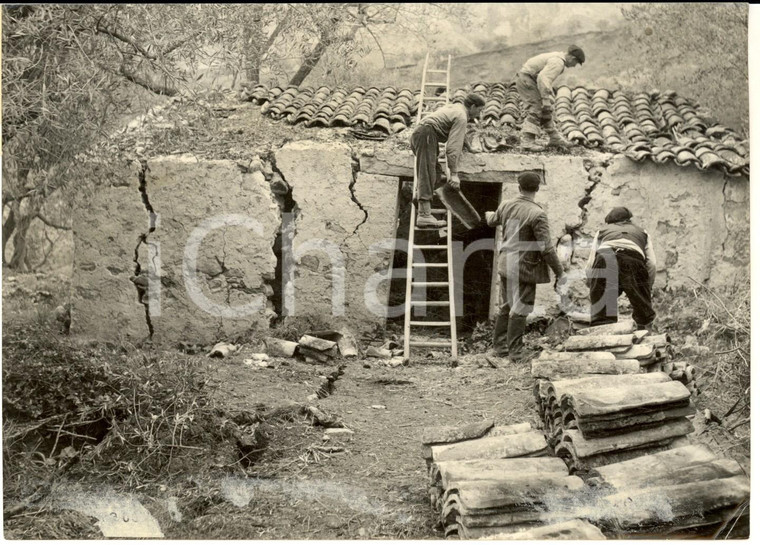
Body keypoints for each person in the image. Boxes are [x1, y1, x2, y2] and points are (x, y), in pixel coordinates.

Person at [485, 171, 567, 361]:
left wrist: (489, 213)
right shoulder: (537, 214)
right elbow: (546, 249)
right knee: (520, 308)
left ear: (518, 187)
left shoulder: (506, 205)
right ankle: (516, 352)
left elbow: (491, 220)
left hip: (506, 263)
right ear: (537, 189)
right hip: (524, 267)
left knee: (506, 306)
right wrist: (560, 272)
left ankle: (499, 348)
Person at [410, 93, 485, 228]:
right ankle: (424, 215)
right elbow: (452, 148)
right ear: (473, 106)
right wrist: (454, 174)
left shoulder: (457, 108)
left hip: (422, 134)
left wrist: (469, 147)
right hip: (426, 135)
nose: (479, 114)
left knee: (437, 175)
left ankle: (420, 195)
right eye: (479, 110)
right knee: (427, 173)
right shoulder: (462, 116)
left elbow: (459, 134)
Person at [585, 206, 657, 331]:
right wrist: (646, 287)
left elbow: (591, 261)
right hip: (633, 259)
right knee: (643, 308)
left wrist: (593, 284)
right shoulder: (642, 232)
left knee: (602, 310)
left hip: (605, 258)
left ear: (610, 221)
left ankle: (602, 336)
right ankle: (645, 333)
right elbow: (652, 264)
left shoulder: (602, 231)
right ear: (629, 220)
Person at [516, 45, 585, 152]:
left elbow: (542, 79)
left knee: (546, 110)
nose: (573, 66)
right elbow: (543, 78)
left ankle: (554, 138)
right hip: (527, 80)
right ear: (572, 58)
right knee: (536, 108)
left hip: (530, 79)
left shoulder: (557, 58)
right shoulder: (558, 62)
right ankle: (527, 142)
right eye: (575, 63)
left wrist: (547, 99)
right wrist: (545, 99)